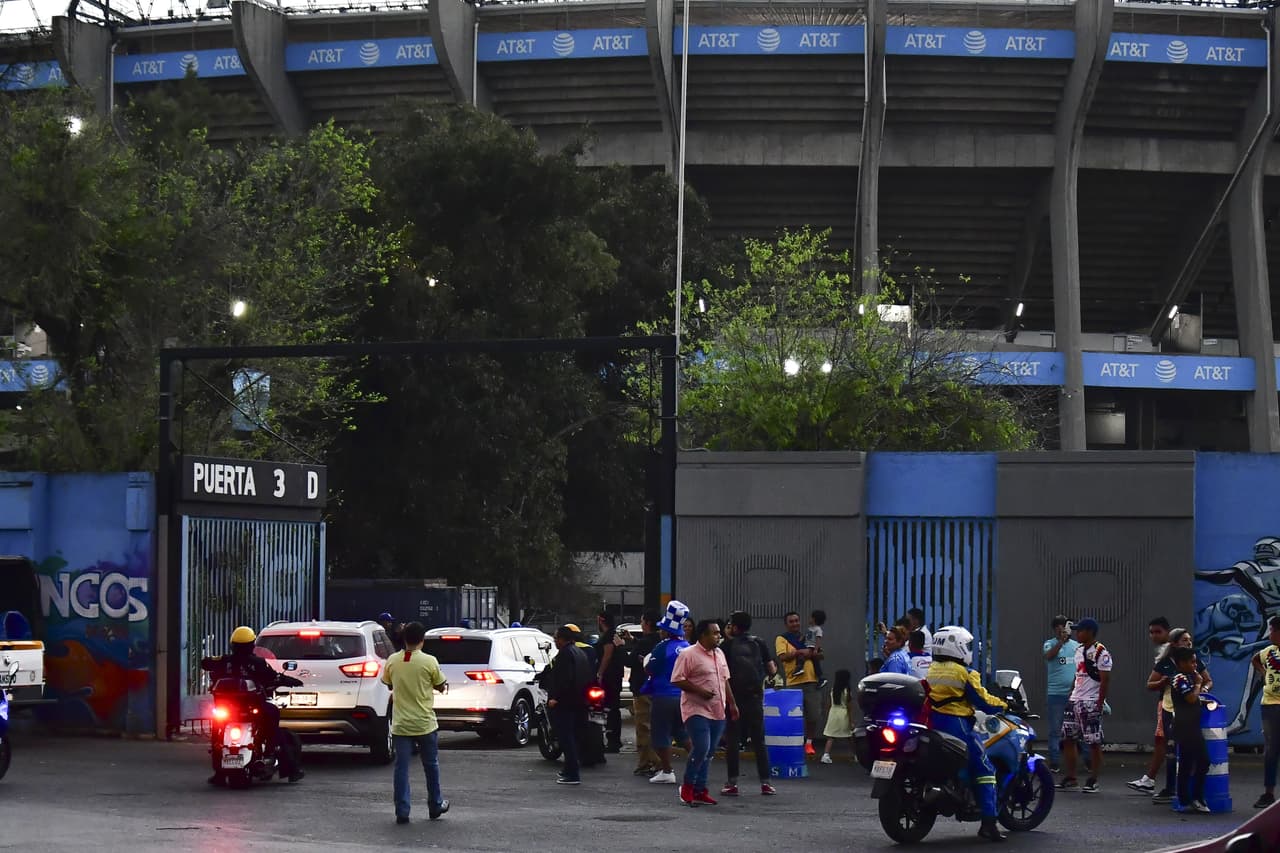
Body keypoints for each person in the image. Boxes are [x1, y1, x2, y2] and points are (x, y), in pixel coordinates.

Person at [925, 625, 1009, 842]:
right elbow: (983, 701)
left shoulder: (932, 668)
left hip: (933, 724)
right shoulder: (965, 673)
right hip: (957, 724)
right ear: (959, 646)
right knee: (986, 768)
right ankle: (989, 824)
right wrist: (1004, 705)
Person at [200, 625, 305, 785]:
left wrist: (217, 662)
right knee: (274, 719)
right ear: (252, 644)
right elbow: (273, 677)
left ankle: (219, 774)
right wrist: (290, 681)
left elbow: (205, 663)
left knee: (217, 736)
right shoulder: (258, 662)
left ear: (232, 644)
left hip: (226, 711)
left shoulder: (224, 661)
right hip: (253, 709)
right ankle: (281, 760)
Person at [381, 621, 449, 824]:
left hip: (401, 724)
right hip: (424, 722)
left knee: (401, 767)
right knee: (431, 765)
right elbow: (440, 684)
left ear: (403, 639)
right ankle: (435, 805)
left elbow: (388, 684)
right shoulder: (429, 661)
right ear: (422, 640)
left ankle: (402, 810)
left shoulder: (393, 660)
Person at [671, 619, 738, 806]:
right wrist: (700, 691)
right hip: (696, 709)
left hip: (718, 709)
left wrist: (732, 704)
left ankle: (700, 790)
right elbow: (677, 679)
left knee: (709, 752)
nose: (719, 636)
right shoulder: (688, 654)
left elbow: (725, 680)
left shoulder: (719, 654)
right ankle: (687, 787)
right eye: (715, 633)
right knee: (701, 747)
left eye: (719, 632)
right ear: (703, 635)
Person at [1143, 628, 1211, 803]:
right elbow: (1150, 685)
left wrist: (1203, 688)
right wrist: (1162, 682)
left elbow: (1207, 681)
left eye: (1189, 640)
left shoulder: (1193, 662)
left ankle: (1186, 794)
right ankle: (1173, 789)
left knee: (1192, 756)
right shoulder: (1168, 665)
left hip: (1191, 712)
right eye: (1184, 640)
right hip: (1172, 710)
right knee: (1173, 751)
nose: (1188, 643)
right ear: (1174, 644)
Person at [720, 609, 778, 796]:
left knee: (733, 741)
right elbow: (771, 669)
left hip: (734, 699)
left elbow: (723, 675)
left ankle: (732, 783)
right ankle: (766, 783)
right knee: (759, 741)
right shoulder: (759, 643)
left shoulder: (726, 646)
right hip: (755, 698)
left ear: (734, 627)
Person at [1058, 617, 1112, 794]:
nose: (1077, 633)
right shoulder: (1079, 650)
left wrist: (1099, 703)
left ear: (1089, 632)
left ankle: (1093, 779)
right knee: (1068, 738)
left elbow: (1105, 680)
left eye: (1080, 630)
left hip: (1090, 701)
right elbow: (1077, 674)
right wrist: (1071, 692)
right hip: (1075, 699)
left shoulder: (1101, 652)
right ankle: (1071, 778)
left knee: (1093, 741)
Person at [643, 601, 691, 785]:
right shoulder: (688, 647)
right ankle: (699, 761)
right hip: (684, 695)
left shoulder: (662, 647)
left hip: (664, 695)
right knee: (681, 732)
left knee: (660, 734)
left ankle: (667, 770)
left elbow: (650, 669)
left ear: (666, 630)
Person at [1128, 616, 1172, 794]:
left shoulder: (1169, 653)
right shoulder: (1164, 651)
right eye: (1151, 632)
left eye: (1157, 632)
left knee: (1163, 742)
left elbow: (1152, 683)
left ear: (1167, 632)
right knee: (1163, 741)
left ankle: (1152, 780)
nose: (1153, 636)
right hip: (1166, 701)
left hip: (1169, 703)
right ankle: (1153, 780)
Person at [546, 624, 593, 785]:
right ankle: (568, 769)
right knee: (574, 736)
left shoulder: (565, 654)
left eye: (556, 638)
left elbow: (565, 679)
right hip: (579, 701)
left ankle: (572, 773)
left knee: (566, 738)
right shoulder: (580, 652)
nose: (554, 641)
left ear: (561, 639)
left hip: (566, 702)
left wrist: (555, 698)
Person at [1167, 646, 1211, 813]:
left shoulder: (1189, 677)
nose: (1195, 665)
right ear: (1181, 663)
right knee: (1203, 760)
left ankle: (1185, 799)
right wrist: (1199, 683)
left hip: (1190, 725)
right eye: (1192, 662)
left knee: (1187, 763)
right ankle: (1195, 798)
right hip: (1186, 727)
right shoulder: (1179, 679)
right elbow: (1191, 698)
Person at [776, 611, 824, 756]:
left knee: (813, 716)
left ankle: (808, 743)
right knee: (792, 716)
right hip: (793, 683)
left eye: (797, 620)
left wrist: (811, 653)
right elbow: (783, 656)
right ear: (786, 624)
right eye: (791, 621)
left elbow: (820, 654)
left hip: (812, 681)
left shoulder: (808, 636)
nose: (795, 623)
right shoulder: (781, 639)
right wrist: (799, 652)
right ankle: (793, 743)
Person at [1249, 614, 1280, 808]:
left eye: (1271, 630)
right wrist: (1264, 673)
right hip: (1269, 705)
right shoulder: (1268, 652)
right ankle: (1268, 793)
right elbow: (1254, 660)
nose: (1269, 633)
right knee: (1271, 750)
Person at [1043, 615, 1079, 773]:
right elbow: (1049, 656)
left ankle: (1087, 761)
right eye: (1057, 626)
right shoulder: (1049, 644)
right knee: (1055, 729)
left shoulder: (1077, 646)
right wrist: (1061, 642)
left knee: (1079, 729)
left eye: (1063, 625)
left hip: (1075, 693)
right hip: (1055, 694)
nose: (1060, 628)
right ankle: (1055, 762)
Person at [627, 611, 661, 776]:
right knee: (655, 726)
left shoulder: (645, 643)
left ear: (647, 623)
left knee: (643, 727)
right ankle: (652, 761)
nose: (641, 624)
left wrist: (621, 646)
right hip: (658, 689)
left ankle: (650, 762)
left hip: (642, 689)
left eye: (641, 621)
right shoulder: (660, 641)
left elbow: (629, 661)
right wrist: (633, 641)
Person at [594, 611, 626, 753]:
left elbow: (607, 655)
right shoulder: (613, 634)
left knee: (610, 709)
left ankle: (613, 741)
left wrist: (600, 673)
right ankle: (612, 739)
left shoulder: (609, 636)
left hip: (610, 678)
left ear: (601, 620)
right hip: (614, 677)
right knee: (611, 709)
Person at [821, 669, 853, 764]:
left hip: (833, 713)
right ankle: (856, 755)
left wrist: (827, 714)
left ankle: (825, 755)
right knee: (849, 735)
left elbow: (828, 704)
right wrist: (851, 720)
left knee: (831, 736)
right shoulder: (847, 690)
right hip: (843, 714)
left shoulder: (833, 690)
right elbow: (849, 706)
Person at [797, 610, 827, 687]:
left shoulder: (817, 629)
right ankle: (820, 678)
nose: (809, 619)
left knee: (804, 657)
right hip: (807, 646)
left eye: (811, 617)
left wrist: (816, 649)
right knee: (815, 663)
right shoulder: (810, 628)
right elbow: (807, 636)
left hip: (812, 647)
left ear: (814, 619)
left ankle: (800, 668)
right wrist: (801, 638)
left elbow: (818, 639)